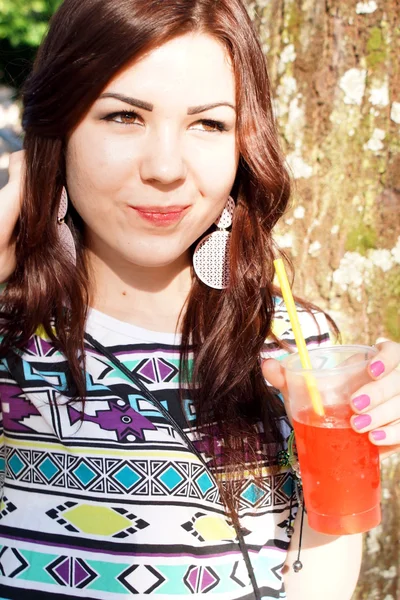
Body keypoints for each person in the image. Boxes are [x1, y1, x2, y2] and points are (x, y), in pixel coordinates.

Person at [0, 1, 399, 598]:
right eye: (123, 117)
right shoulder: (9, 331)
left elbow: (321, 556)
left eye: (209, 124)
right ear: (57, 132)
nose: (165, 168)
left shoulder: (296, 343)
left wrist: (342, 448)